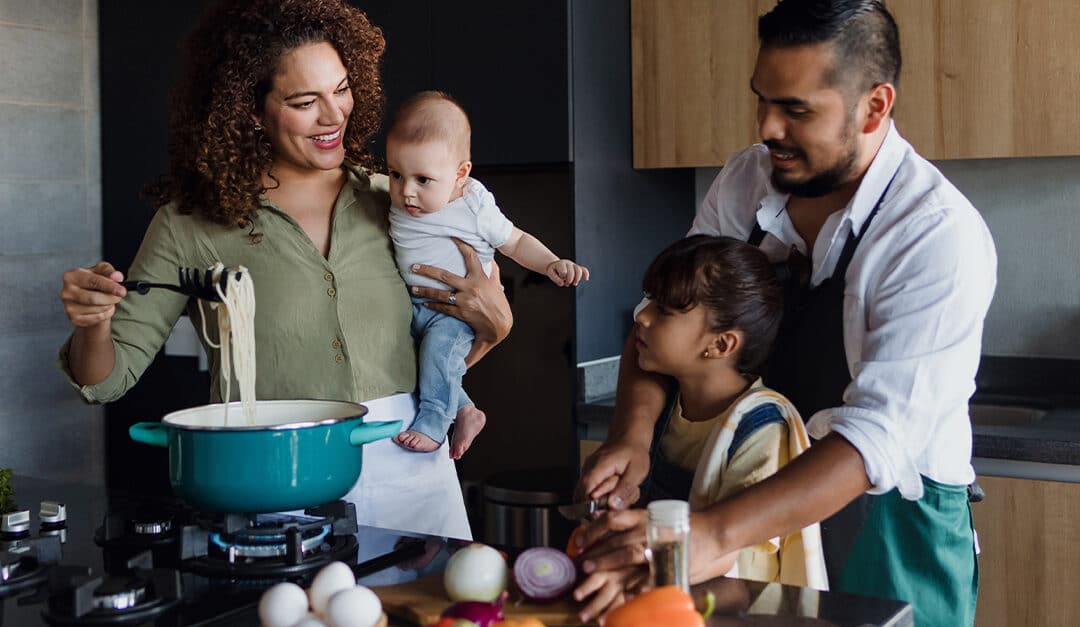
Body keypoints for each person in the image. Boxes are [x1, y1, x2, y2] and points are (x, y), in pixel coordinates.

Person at [574, 1, 996, 625]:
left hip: (885, 524)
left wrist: (714, 535)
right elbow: (662, 312)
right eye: (763, 100)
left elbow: (876, 436)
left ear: (875, 106)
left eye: (797, 110)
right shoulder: (747, 179)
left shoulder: (934, 235)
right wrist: (632, 437)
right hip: (746, 496)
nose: (768, 128)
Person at [56, 0, 510, 539]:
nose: (334, 115)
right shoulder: (189, 225)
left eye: (342, 89)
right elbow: (105, 380)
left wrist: (496, 326)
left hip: (410, 464)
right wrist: (93, 323)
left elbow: (462, 323)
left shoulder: (398, 201)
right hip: (270, 477)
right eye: (304, 101)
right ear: (250, 109)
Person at [574, 235, 828, 607]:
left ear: (721, 345)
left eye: (663, 310)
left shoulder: (762, 428)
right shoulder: (663, 406)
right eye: (648, 300)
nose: (640, 316)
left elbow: (745, 568)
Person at [384, 91, 589, 457]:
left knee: (438, 356)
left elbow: (515, 241)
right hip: (414, 305)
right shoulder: (397, 197)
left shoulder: (474, 206)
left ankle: (434, 423)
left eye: (423, 180)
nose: (406, 192)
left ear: (460, 174)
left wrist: (551, 263)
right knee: (427, 364)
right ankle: (465, 410)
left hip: (454, 313)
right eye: (396, 174)